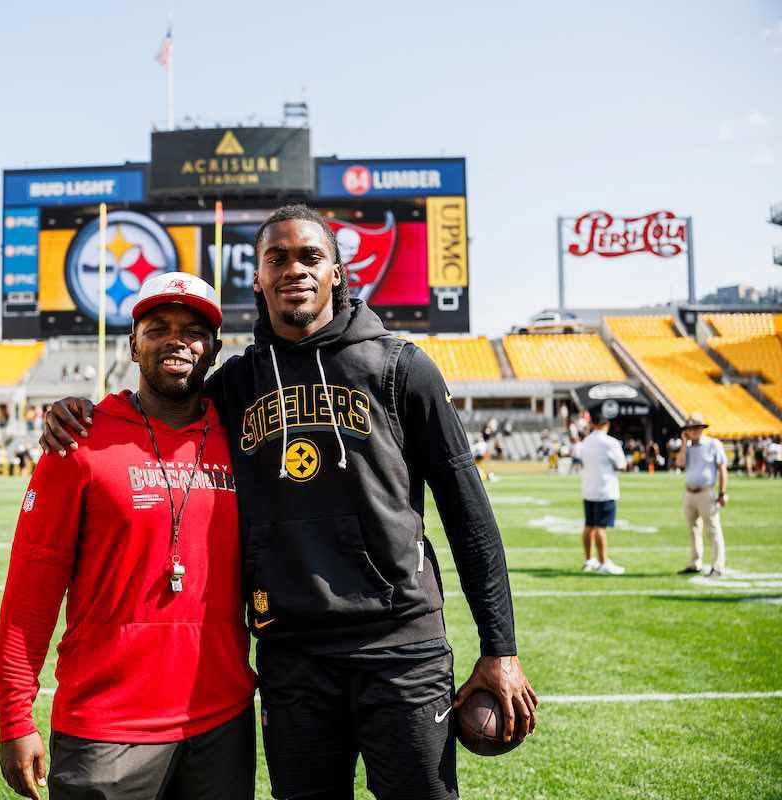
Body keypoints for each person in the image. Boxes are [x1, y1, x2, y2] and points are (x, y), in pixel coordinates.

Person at [43, 206, 536, 799]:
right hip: (292, 655)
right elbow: (162, 403)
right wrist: (82, 413)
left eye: (310, 256)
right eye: (276, 258)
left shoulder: (401, 367)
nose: (293, 270)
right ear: (257, 278)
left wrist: (501, 649)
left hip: (401, 647)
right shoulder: (234, 386)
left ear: (336, 271)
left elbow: (469, 516)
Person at [0, 273, 256, 800]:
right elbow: (30, 591)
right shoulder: (79, 442)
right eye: (158, 328)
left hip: (221, 723)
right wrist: (15, 716)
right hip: (104, 728)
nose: (176, 340)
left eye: (193, 331)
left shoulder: (245, 440)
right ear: (133, 345)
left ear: (214, 349)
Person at [675, 413, 729, 578]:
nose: (692, 431)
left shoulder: (713, 444)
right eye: (689, 429)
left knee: (713, 529)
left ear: (701, 428)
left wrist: (722, 492)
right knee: (693, 529)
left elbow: (722, 468)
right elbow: (679, 464)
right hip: (689, 493)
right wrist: (684, 443)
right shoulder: (687, 447)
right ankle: (695, 563)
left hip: (706, 492)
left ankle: (718, 566)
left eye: (695, 428)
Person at [578, 415, 628, 575]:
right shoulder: (610, 442)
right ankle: (604, 562)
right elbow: (622, 464)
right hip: (604, 489)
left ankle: (588, 560)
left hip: (589, 488)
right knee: (600, 528)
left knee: (589, 526)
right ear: (607, 424)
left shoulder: (586, 441)